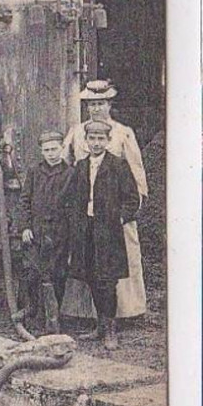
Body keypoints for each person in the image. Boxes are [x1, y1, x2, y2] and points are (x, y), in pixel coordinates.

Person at [63, 79, 147, 318]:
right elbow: (67, 169)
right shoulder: (77, 133)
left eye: (100, 103)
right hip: (87, 212)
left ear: (109, 104)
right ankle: (87, 315)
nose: (96, 109)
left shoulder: (122, 134)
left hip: (114, 213)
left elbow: (136, 172)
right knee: (87, 260)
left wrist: (128, 213)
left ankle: (123, 313)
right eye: (91, 104)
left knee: (117, 261)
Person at [61, 120, 140, 350]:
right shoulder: (81, 166)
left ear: (107, 141)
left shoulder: (118, 165)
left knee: (107, 280)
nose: (96, 143)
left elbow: (132, 199)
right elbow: (70, 197)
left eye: (100, 139)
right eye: (92, 139)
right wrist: (74, 219)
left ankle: (111, 330)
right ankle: (99, 326)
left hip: (108, 232)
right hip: (85, 231)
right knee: (91, 277)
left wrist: (120, 218)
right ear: (86, 142)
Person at [18, 130, 74, 334]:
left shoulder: (70, 174)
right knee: (33, 273)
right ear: (41, 152)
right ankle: (32, 311)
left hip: (59, 233)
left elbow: (74, 207)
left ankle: (52, 319)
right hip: (36, 232)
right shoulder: (34, 171)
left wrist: (69, 235)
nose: (51, 154)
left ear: (62, 149)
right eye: (47, 150)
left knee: (57, 275)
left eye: (54, 149)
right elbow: (24, 201)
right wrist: (25, 226)